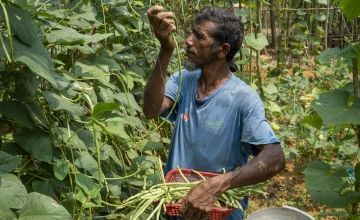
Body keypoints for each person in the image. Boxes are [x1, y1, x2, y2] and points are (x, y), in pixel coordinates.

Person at [143, 5, 285, 220]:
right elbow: (151, 110)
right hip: (178, 209)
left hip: (218, 213)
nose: (188, 40)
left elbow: (275, 158)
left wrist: (216, 185)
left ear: (222, 50)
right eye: (191, 33)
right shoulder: (185, 81)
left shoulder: (242, 98)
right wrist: (165, 50)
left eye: (199, 36)